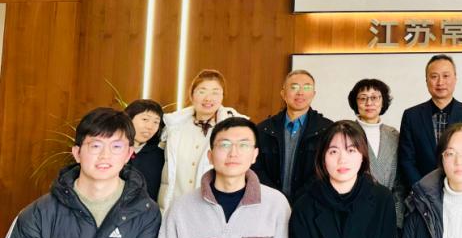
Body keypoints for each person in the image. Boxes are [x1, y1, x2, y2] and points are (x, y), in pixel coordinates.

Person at [0, 107, 161, 238]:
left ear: (129, 154)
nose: (105, 155)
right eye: (95, 145)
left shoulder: (145, 214)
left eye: (116, 146)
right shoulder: (38, 214)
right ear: (77, 153)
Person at [149, 117, 295, 238]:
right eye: (224, 144)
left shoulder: (275, 205)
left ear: (254, 155)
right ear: (210, 155)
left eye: (243, 145)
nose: (233, 152)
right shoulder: (182, 209)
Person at [289, 120, 397, 238]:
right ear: (323, 157)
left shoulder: (382, 201)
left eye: (351, 150)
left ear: (363, 155)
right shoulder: (304, 206)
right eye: (333, 151)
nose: (342, 160)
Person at [158, 69, 246, 212]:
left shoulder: (232, 131)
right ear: (192, 95)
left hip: (209, 209)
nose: (208, 98)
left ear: (222, 97)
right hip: (174, 206)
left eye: (215, 92)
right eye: (202, 91)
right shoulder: (173, 128)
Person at [398, 54, 462, 186]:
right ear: (426, 80)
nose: (440, 82)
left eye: (446, 76)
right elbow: (406, 160)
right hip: (422, 190)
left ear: (455, 78)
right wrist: (422, 189)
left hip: (461, 188)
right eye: (434, 76)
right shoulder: (411, 116)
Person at [253, 69, 334, 201]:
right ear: (283, 94)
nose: (300, 92)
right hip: (270, 202)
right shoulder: (264, 129)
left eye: (307, 87)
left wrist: (300, 199)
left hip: (311, 202)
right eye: (294, 87)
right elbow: (256, 167)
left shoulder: (327, 129)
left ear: (313, 94)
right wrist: (277, 198)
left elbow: (325, 169)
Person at [348, 78, 404, 225]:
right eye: (363, 98)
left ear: (383, 101)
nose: (369, 103)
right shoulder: (346, 132)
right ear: (355, 102)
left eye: (374, 97)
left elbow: (399, 182)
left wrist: (397, 216)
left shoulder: (394, 135)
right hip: (354, 209)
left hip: (388, 211)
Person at [125, 98, 166, 201]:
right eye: (145, 119)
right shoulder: (113, 150)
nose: (150, 127)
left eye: (156, 122)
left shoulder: (161, 155)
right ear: (128, 119)